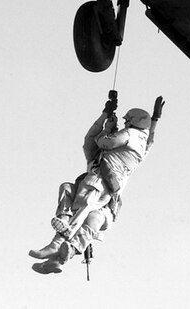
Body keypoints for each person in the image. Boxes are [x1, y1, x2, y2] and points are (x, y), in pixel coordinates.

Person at [30, 95, 163, 274]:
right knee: (72, 195)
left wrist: (106, 124)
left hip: (99, 186)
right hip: (109, 205)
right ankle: (59, 260)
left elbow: (101, 141)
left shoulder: (125, 137)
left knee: (81, 207)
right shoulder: (140, 147)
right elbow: (149, 140)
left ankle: (57, 243)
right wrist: (154, 120)